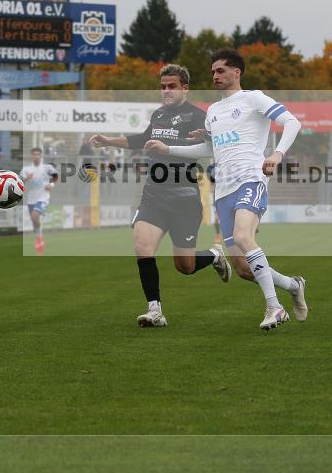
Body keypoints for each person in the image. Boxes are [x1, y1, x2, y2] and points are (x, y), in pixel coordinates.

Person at [146, 48, 307, 331]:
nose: (215, 76)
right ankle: (293, 286)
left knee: (245, 236)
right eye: (212, 72)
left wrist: (278, 154)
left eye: (220, 71)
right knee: (244, 268)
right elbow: (209, 149)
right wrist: (168, 148)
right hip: (223, 191)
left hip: (250, 179)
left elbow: (292, 122)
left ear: (237, 72)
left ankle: (275, 308)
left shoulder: (253, 98)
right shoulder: (214, 112)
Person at [88, 64, 231, 328]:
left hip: (185, 199)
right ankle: (155, 310)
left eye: (172, 86)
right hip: (154, 196)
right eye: (163, 86)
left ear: (185, 88)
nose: (166, 91)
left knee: (185, 266)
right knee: (142, 247)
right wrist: (107, 140)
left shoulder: (198, 116)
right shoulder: (158, 115)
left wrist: (169, 149)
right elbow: (141, 139)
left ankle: (213, 255)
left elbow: (213, 147)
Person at [19, 147, 59, 255]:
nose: (36, 156)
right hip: (31, 198)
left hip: (43, 197)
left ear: (41, 156)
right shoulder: (26, 169)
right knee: (34, 221)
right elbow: (18, 182)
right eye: (34, 154)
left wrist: (51, 184)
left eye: (38, 154)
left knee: (35, 216)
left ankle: (39, 239)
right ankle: (39, 239)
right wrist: (27, 178)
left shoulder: (47, 167)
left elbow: (55, 176)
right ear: (31, 156)